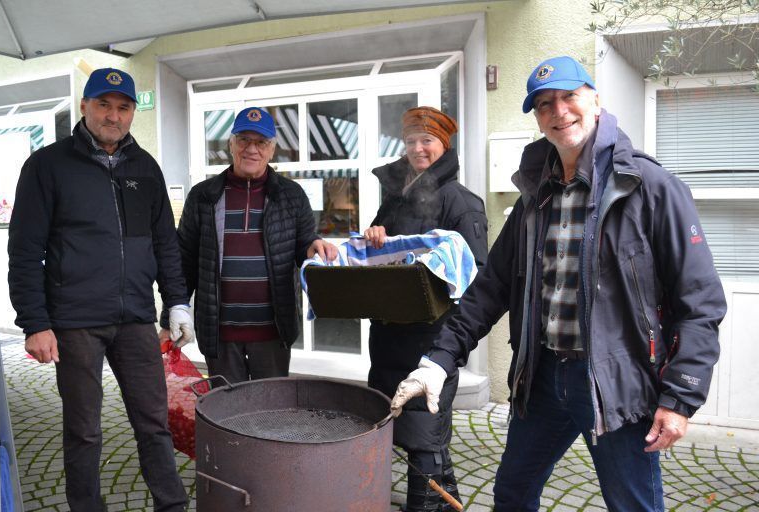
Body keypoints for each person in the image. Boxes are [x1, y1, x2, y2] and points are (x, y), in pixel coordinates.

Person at [390, 56, 728, 511]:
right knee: (512, 494)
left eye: (569, 96)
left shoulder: (650, 186)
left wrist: (681, 396)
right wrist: (438, 359)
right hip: (543, 379)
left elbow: (700, 301)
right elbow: (491, 288)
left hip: (615, 384)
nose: (559, 111)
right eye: (545, 104)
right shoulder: (536, 195)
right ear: (537, 117)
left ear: (595, 100)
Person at [8, 68, 193, 512]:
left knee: (154, 423)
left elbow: (164, 243)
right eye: (104, 105)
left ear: (132, 113)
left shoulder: (144, 167)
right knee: (84, 430)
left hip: (134, 317)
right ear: (85, 106)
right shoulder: (47, 166)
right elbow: (25, 250)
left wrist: (177, 304)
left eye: (123, 107)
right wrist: (35, 322)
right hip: (74, 321)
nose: (113, 116)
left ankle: (172, 505)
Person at [363, 106, 488, 512]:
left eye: (427, 140)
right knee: (399, 429)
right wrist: (375, 236)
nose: (418, 148)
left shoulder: (461, 203)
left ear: (444, 144)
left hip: (431, 342)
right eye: (412, 140)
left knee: (423, 435)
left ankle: (425, 506)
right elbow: (378, 257)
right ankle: (438, 502)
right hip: (387, 338)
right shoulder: (396, 199)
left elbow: (478, 279)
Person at [160, 106, 337, 384]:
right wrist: (171, 313)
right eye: (244, 140)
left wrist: (314, 246)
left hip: (273, 332)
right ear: (231, 144)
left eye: (261, 142)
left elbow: (304, 243)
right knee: (226, 415)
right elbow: (183, 260)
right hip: (219, 334)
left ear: (272, 149)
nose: (251, 149)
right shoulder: (203, 196)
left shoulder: (291, 195)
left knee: (270, 412)